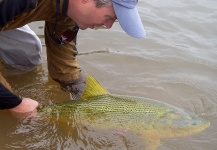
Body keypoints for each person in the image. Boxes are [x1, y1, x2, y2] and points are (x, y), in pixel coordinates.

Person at [0, 0, 145, 114]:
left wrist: (103, 106)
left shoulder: (69, 14)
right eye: (109, 17)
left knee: (26, 55)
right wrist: (15, 103)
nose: (108, 26)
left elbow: (64, 68)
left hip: (7, 14)